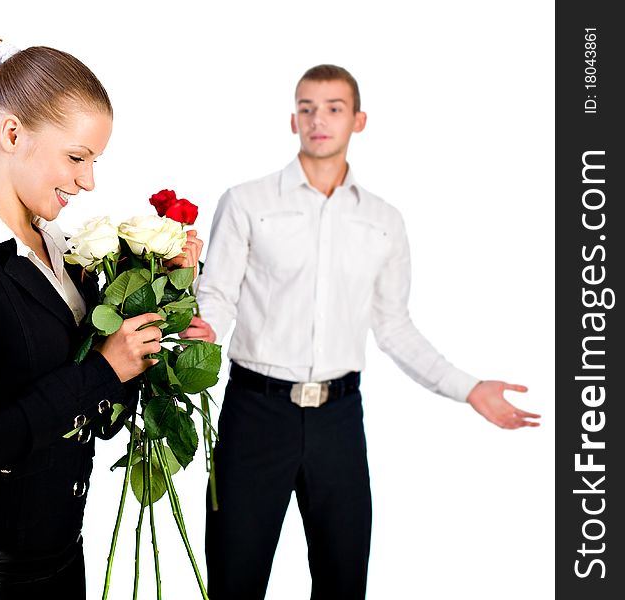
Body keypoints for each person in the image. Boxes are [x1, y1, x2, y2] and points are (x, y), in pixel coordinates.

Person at [181, 64, 541, 600]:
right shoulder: (247, 202)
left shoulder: (384, 221)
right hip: (256, 416)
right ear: (292, 119)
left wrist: (468, 388)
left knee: (345, 580)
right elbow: (219, 298)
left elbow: (394, 326)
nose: (318, 120)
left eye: (333, 108)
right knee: (235, 578)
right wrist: (199, 333)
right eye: (306, 108)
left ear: (358, 120)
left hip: (339, 421)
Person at [0, 35, 202, 599]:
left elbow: (102, 411)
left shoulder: (61, 249)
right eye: (76, 157)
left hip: (64, 561)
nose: (88, 181)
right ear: (12, 134)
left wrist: (164, 304)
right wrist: (103, 371)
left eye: (93, 161)